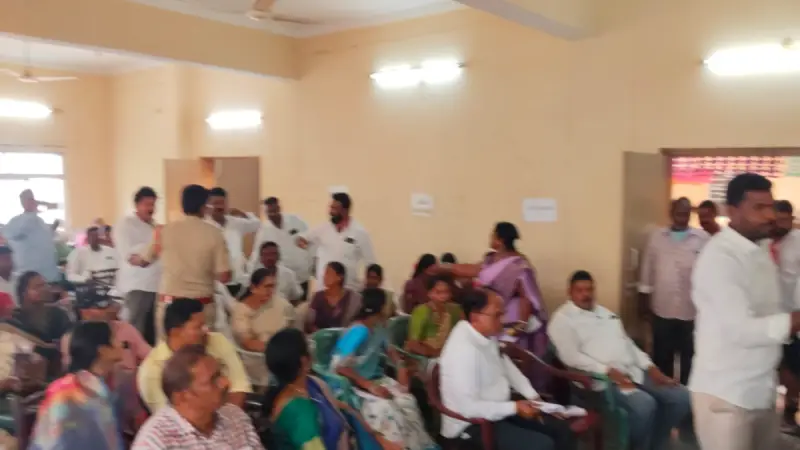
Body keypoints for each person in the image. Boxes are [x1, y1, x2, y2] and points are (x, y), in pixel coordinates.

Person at [690, 173, 800, 450]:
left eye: (770, 206)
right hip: (726, 395)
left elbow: (773, 311)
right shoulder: (720, 258)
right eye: (758, 208)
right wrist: (794, 322)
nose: (769, 216)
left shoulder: (760, 250)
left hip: (762, 389)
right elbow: (742, 330)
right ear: (732, 211)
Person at [548, 271, 691, 450]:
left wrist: (651, 368)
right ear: (569, 292)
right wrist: (606, 370)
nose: (586, 295)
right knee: (644, 405)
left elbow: (628, 343)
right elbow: (571, 357)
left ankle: (655, 443)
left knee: (681, 397)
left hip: (634, 371)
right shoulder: (562, 320)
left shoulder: (605, 313)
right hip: (603, 381)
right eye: (580, 290)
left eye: (590, 289)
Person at [439, 288, 576, 450]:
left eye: (502, 313)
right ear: (475, 317)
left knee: (561, 429)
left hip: (498, 411)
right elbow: (468, 408)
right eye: (497, 315)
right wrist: (515, 407)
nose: (502, 320)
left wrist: (534, 397)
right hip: (471, 425)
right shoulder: (462, 351)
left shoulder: (485, 335)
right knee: (542, 445)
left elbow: (507, 367)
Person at [331, 288, 436, 449]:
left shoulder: (380, 326)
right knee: (386, 409)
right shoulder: (358, 331)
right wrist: (369, 386)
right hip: (351, 385)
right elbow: (339, 367)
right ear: (381, 308)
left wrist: (400, 367)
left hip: (375, 378)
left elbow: (390, 350)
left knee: (407, 401)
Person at [263, 328, 395, 450]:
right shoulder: (300, 411)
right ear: (304, 362)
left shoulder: (310, 385)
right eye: (309, 345)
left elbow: (344, 408)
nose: (313, 347)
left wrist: (377, 438)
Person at [131, 184, 231, 340]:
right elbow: (224, 276)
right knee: (199, 351)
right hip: (202, 307)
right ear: (204, 206)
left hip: (169, 305)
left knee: (167, 351)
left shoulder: (164, 231)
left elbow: (143, 261)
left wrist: (131, 257)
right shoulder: (215, 234)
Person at [435, 222, 548, 358]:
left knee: (507, 357)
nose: (490, 237)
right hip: (490, 315)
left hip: (510, 320)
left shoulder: (519, 265)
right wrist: (446, 267)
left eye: (493, 235)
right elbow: (474, 269)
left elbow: (527, 297)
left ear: (500, 240)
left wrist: (521, 324)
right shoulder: (492, 259)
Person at [132, 344, 263, 449]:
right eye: (213, 380)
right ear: (182, 396)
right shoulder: (156, 441)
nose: (226, 382)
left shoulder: (235, 416)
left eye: (221, 374)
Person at [137, 298, 251, 413]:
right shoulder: (152, 370)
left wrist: (229, 419)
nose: (206, 331)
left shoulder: (217, 340)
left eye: (205, 325)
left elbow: (239, 385)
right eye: (198, 327)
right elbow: (171, 415)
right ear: (175, 332)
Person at [639, 198, 709, 385]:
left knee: (689, 356)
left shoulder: (702, 238)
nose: (682, 216)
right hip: (662, 307)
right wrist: (643, 298)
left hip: (691, 309)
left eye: (686, 213)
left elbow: (710, 270)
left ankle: (686, 393)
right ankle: (665, 390)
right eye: (679, 212)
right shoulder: (656, 237)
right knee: (662, 355)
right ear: (671, 213)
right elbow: (647, 268)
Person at [29, 322, 126, 450]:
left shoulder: (92, 385)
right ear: (103, 350)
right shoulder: (75, 394)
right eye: (115, 339)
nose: (122, 343)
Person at [297, 193, 377, 292]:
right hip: (323, 289)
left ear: (345, 210)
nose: (331, 212)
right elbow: (303, 238)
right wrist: (304, 244)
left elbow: (371, 263)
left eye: (335, 208)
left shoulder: (360, 233)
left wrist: (369, 286)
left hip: (348, 289)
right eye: (331, 208)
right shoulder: (323, 228)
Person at [766, 200, 800, 433]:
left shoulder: (798, 242)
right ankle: (768, 411)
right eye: (777, 219)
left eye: (785, 219)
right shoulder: (764, 241)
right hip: (767, 316)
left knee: (793, 366)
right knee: (773, 365)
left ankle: (789, 412)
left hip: (792, 316)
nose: (780, 224)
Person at [231, 267, 294, 386]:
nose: (271, 291)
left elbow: (290, 326)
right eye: (267, 286)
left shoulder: (280, 304)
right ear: (253, 288)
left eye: (273, 286)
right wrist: (276, 350)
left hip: (282, 354)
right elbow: (248, 343)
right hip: (256, 360)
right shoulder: (241, 311)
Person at [60, 288, 150, 372]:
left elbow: (148, 355)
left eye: (109, 304)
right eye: (101, 306)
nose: (109, 309)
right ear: (84, 311)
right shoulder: (71, 337)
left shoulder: (124, 327)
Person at [116, 187, 162, 344]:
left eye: (153, 204)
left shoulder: (155, 226)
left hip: (156, 284)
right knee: (135, 327)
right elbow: (130, 257)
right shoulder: (126, 224)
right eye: (147, 204)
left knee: (151, 329)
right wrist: (148, 255)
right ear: (137, 205)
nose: (151, 208)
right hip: (137, 285)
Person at [250, 197, 314, 301]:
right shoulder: (264, 231)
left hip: (302, 274)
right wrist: (251, 276)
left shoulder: (296, 221)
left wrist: (313, 265)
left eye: (274, 211)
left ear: (279, 208)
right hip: (283, 277)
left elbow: (310, 241)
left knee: (301, 304)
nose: (272, 215)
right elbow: (256, 256)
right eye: (269, 212)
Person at [206, 187, 262, 296]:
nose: (219, 207)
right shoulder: (204, 226)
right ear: (208, 205)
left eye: (222, 203)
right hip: (216, 285)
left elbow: (257, 224)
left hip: (238, 281)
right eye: (216, 203)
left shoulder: (236, 223)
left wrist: (242, 213)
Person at [2, 189, 59, 283]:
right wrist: (30, 211)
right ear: (23, 202)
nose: (34, 202)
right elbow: (10, 234)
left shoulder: (39, 221)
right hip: (30, 278)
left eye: (33, 199)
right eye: (30, 200)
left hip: (49, 275)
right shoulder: (17, 221)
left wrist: (52, 229)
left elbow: (42, 239)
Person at [406, 275, 463, 360]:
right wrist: (437, 353)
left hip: (447, 356)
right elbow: (413, 344)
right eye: (438, 292)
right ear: (429, 293)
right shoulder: (421, 311)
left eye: (446, 292)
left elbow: (463, 334)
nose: (443, 296)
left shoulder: (455, 310)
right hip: (422, 358)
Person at [305, 262, 362, 333]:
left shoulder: (352, 298)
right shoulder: (318, 296)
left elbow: (357, 323)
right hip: (320, 336)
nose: (324, 276)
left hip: (344, 336)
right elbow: (309, 323)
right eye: (325, 273)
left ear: (339, 277)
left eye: (328, 273)